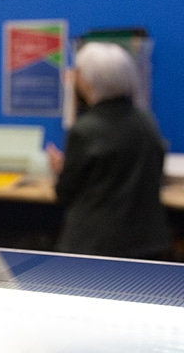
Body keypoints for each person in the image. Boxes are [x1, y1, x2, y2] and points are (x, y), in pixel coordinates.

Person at [46, 41, 171, 259]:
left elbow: (65, 192)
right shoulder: (146, 122)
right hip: (146, 246)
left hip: (94, 248)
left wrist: (61, 170)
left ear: (86, 81)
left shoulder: (85, 130)